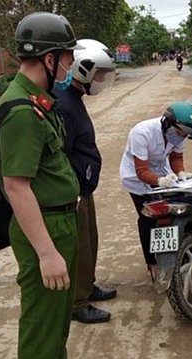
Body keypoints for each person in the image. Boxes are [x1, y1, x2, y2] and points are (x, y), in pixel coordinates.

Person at [0, 12, 90, 359]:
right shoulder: (20, 111)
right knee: (39, 325)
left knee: (57, 313)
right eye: (67, 59)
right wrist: (47, 252)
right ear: (49, 59)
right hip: (44, 230)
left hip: (61, 222)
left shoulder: (38, 100)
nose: (70, 68)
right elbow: (16, 186)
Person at [56, 39, 117, 324]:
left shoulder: (74, 99)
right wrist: (74, 192)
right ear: (84, 70)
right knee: (79, 248)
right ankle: (78, 303)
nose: (101, 81)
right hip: (75, 190)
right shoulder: (65, 105)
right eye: (99, 75)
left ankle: (88, 286)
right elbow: (62, 155)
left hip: (84, 188)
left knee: (90, 242)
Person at [119, 101, 192, 281]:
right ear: (168, 123)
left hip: (161, 172)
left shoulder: (179, 135)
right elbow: (141, 170)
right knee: (148, 217)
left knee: (175, 210)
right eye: (180, 133)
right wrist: (159, 180)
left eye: (185, 135)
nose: (181, 137)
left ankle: (173, 251)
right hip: (136, 179)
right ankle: (152, 263)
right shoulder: (142, 132)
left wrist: (180, 172)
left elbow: (176, 156)